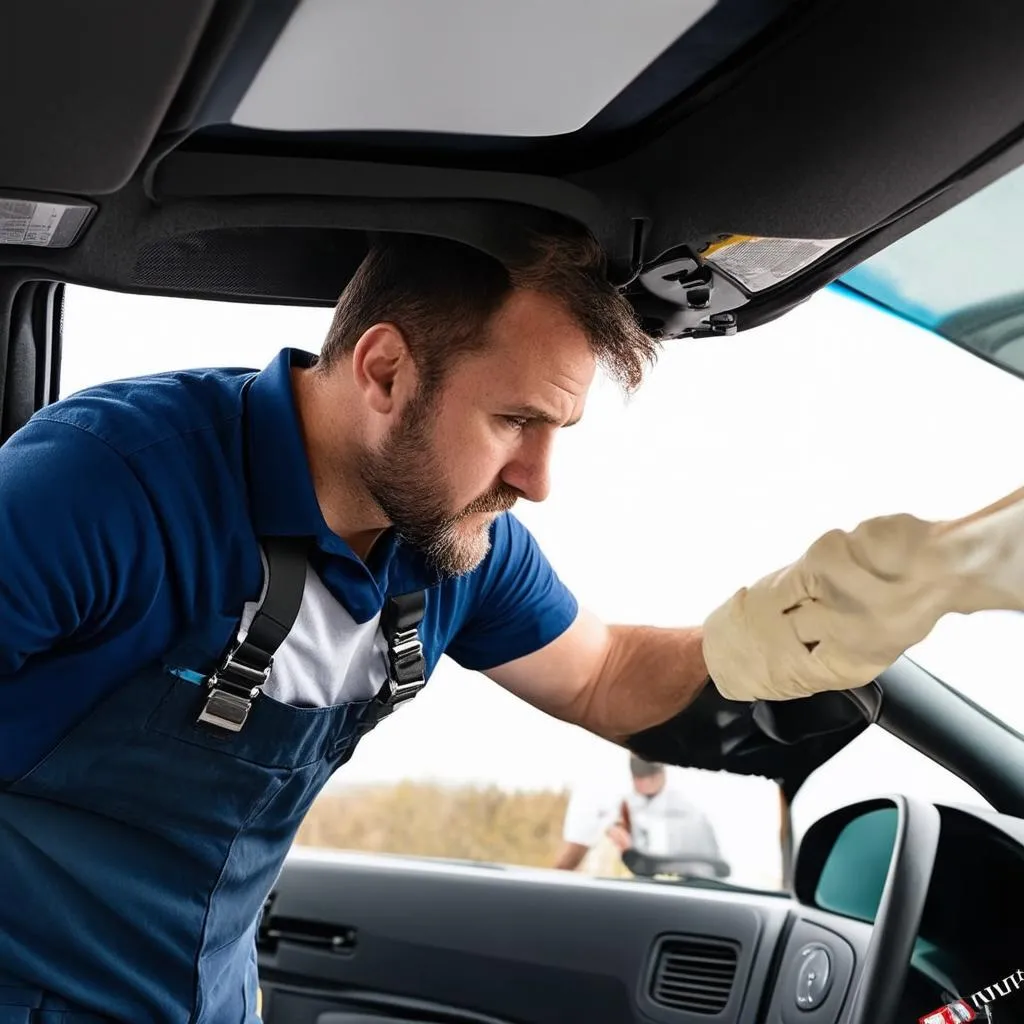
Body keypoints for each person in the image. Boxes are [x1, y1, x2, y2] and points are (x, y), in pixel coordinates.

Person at [2, 226, 1022, 1023]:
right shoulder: (104, 487)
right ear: (385, 371)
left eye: (556, 430)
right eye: (514, 422)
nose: (536, 479)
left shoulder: (450, 545)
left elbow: (603, 675)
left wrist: (811, 626)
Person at [554, 756, 723, 875]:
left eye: (649, 773)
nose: (644, 781)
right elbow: (568, 861)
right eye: (639, 774)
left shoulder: (692, 811)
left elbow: (710, 873)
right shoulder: (601, 800)